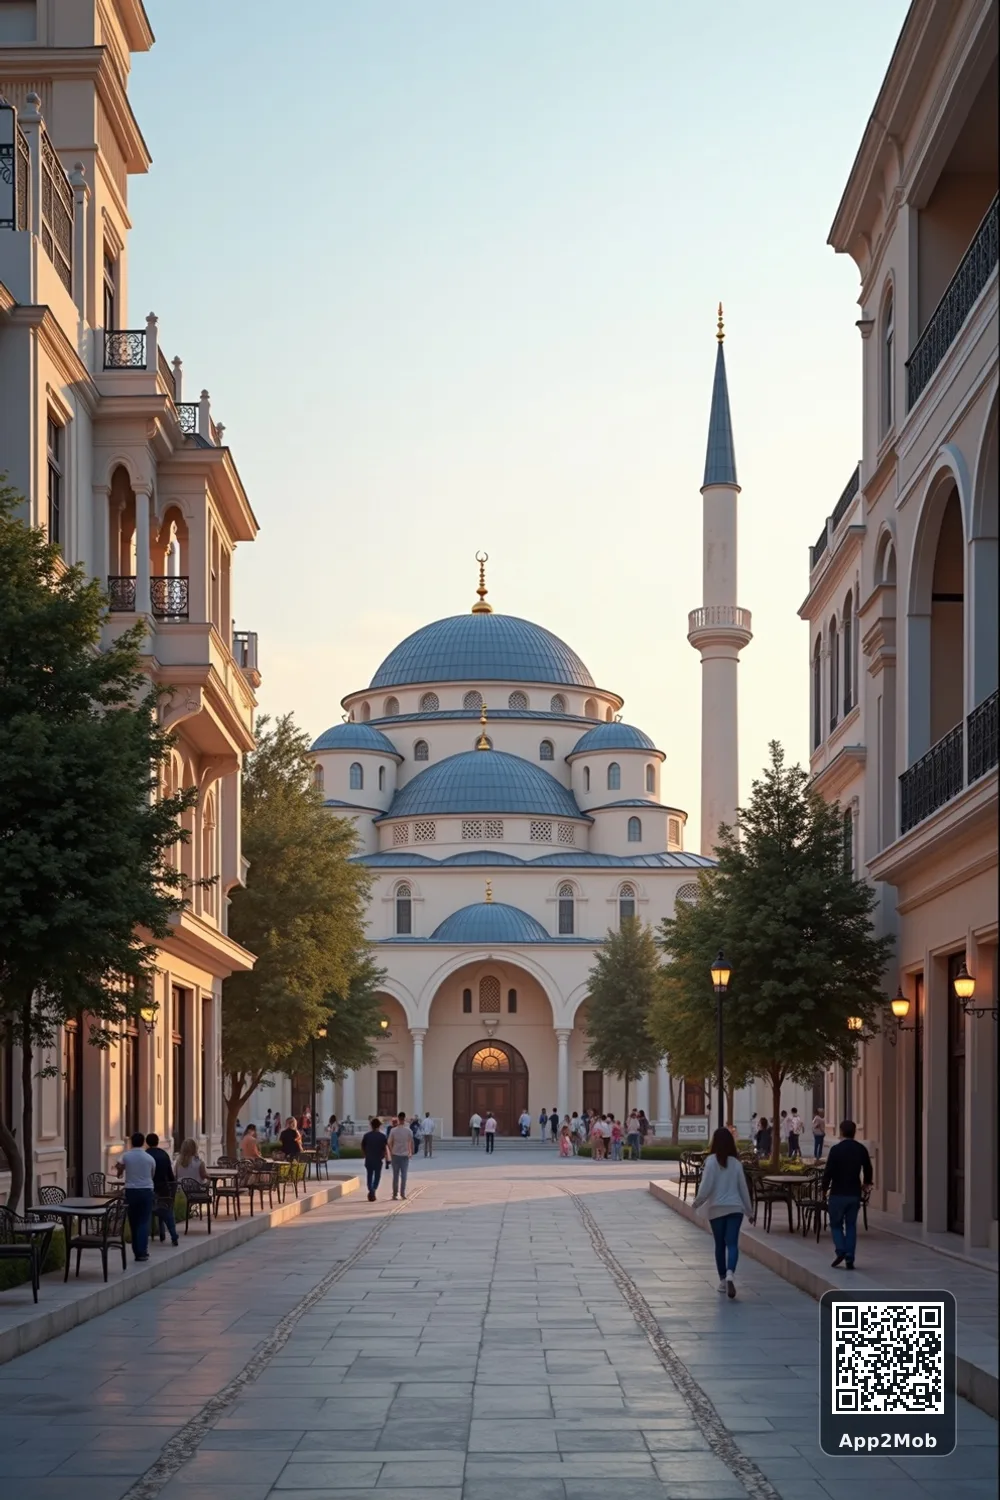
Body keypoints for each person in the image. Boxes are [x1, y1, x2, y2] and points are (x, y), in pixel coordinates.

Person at [692, 1126, 754, 1298]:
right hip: (735, 1209)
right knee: (733, 1244)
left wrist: (697, 1202)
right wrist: (750, 1211)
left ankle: (721, 1280)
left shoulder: (711, 1162)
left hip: (716, 1209)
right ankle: (730, 1274)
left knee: (720, 1245)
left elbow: (706, 1187)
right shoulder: (736, 1164)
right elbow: (743, 1189)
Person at [821, 1119, 873, 1270]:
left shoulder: (836, 1150)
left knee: (836, 1224)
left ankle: (841, 1250)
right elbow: (868, 1168)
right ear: (854, 1132)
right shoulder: (860, 1149)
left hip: (837, 1193)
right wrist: (867, 1183)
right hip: (853, 1193)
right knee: (851, 1225)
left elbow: (828, 1172)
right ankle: (850, 1256)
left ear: (841, 1132)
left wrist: (824, 1189)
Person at [115, 1130, 156, 1262]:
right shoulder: (149, 1158)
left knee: (133, 1221)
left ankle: (136, 1250)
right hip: (146, 1190)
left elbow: (119, 1167)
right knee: (144, 1221)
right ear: (143, 1142)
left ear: (131, 1142)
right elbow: (152, 1174)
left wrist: (120, 1172)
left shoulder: (126, 1156)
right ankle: (142, 1252)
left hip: (131, 1191)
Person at [144, 1133, 179, 1248]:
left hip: (150, 1188)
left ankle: (146, 1237)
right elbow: (170, 1174)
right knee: (167, 1212)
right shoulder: (164, 1154)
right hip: (164, 1188)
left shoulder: (146, 1155)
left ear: (147, 1142)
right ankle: (173, 1235)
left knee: (148, 1211)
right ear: (158, 1142)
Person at [361, 1116, 390, 1201]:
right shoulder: (382, 1136)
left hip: (369, 1159)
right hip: (378, 1160)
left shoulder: (366, 1136)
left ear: (371, 1125)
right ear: (379, 1126)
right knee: (377, 1177)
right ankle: (373, 1190)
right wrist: (387, 1159)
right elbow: (385, 1149)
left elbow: (363, 1146)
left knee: (369, 1176)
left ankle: (371, 1190)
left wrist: (365, 1154)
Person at [387, 1112, 413, 1199]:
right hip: (405, 1155)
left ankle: (395, 1194)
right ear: (404, 1119)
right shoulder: (408, 1131)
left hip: (395, 1155)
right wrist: (410, 1152)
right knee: (404, 1175)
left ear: (398, 1119)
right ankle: (402, 1193)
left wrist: (391, 1151)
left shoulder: (393, 1130)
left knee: (395, 1175)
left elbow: (389, 1142)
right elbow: (411, 1142)